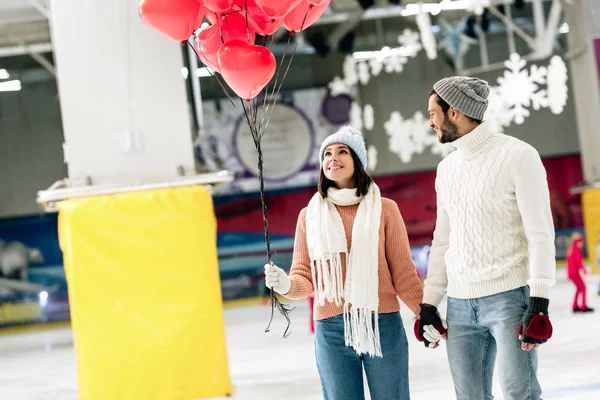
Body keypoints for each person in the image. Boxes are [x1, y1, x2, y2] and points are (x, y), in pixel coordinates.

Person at [415, 76, 556, 400]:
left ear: (454, 112)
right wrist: (430, 303)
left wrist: (539, 301)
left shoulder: (519, 156)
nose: (430, 121)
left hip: (510, 299)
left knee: (519, 393)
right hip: (461, 304)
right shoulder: (446, 169)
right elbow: (443, 240)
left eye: (433, 112)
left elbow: (540, 233)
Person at [264, 126, 423, 400]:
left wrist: (427, 313)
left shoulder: (385, 209)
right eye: (327, 153)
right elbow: (304, 277)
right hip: (331, 329)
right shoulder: (309, 216)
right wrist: (287, 283)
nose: (332, 158)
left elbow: (404, 274)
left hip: (381, 324)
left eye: (342, 151)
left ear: (357, 161)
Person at [567, 232, 594, 312]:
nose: (582, 243)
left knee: (579, 288)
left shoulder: (571, 249)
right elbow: (579, 262)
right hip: (574, 273)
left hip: (572, 273)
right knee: (583, 288)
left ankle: (575, 306)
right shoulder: (575, 250)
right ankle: (583, 306)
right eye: (581, 241)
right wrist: (584, 270)